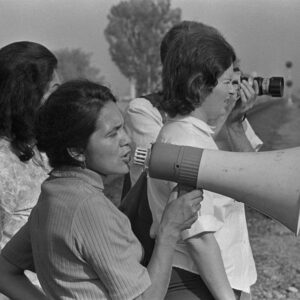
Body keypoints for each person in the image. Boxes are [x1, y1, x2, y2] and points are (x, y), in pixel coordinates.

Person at [0, 80, 203, 300]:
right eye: (112, 134)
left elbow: (4, 271)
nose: (126, 140)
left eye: (123, 127)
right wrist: (170, 230)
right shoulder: (88, 207)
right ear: (77, 151)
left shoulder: (53, 195)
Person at [144, 24, 261, 300]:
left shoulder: (193, 135)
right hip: (197, 285)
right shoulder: (186, 141)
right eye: (228, 83)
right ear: (199, 85)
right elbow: (199, 236)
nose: (234, 92)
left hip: (211, 282)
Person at [124, 21, 261, 187]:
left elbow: (253, 173)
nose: (233, 87)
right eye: (226, 80)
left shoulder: (225, 105)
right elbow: (171, 164)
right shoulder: (143, 110)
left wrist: (234, 124)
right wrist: (225, 115)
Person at [0, 41, 59, 250]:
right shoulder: (3, 163)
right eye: (54, 90)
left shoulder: (46, 148)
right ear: (26, 95)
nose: (60, 100)